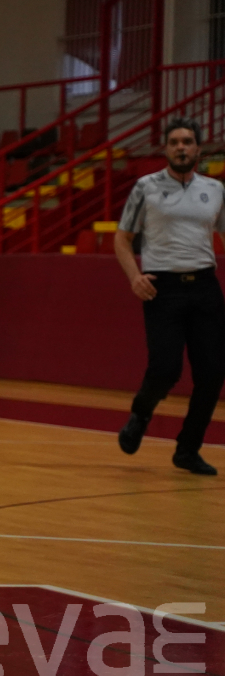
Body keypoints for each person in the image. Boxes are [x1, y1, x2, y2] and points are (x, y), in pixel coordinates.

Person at [114, 117, 222, 476]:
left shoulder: (216, 189)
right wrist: (134, 277)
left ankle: (187, 450)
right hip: (163, 288)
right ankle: (141, 414)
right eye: (174, 142)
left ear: (198, 149)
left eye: (187, 141)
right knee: (166, 369)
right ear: (166, 148)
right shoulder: (145, 187)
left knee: (212, 373)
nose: (181, 147)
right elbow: (122, 238)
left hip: (205, 287)